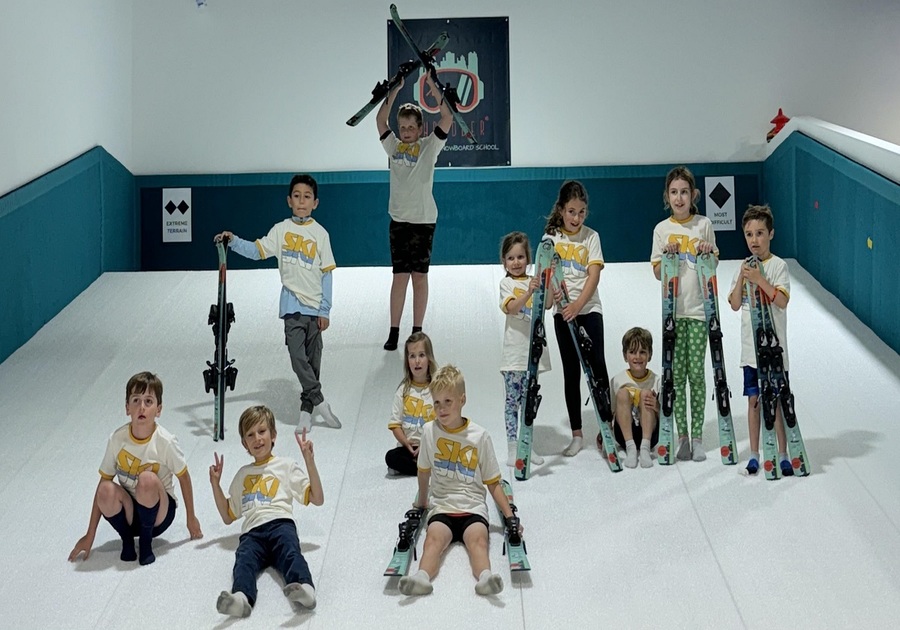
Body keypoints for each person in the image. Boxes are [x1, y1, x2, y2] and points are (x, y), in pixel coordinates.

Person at [215, 174, 340, 433]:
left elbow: (327, 274)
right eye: (297, 196)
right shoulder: (281, 230)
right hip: (292, 308)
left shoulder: (321, 234)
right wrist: (234, 241)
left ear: (315, 203)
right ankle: (321, 401)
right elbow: (257, 251)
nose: (301, 201)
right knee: (298, 359)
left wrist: (325, 310)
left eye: (307, 197)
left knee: (313, 363)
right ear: (289, 200)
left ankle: (306, 414)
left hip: (315, 308)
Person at [399, 365, 517, 597]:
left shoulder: (479, 436)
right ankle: (421, 577)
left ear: (462, 400)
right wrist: (421, 505)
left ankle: (485, 577)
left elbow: (493, 482)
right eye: (437, 403)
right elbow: (423, 472)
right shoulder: (429, 431)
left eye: (448, 402)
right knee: (432, 541)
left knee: (478, 542)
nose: (441, 409)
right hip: (442, 506)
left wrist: (510, 517)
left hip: (472, 507)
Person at [68, 372, 202, 566]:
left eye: (148, 401)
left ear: (159, 409)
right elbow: (103, 485)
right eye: (136, 400)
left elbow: (184, 477)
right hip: (131, 512)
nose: (142, 407)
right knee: (105, 489)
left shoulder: (165, 441)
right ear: (127, 407)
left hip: (159, 513)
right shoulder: (117, 439)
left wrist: (191, 517)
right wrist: (90, 534)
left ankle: (146, 543)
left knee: (147, 479)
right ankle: (127, 540)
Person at [210, 405, 324, 617]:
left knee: (291, 554)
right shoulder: (242, 474)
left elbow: (317, 498)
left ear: (273, 435)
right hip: (252, 534)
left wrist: (309, 461)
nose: (257, 439)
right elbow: (227, 516)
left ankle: (306, 590)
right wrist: (215, 485)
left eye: (262, 431)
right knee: (243, 562)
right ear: (245, 443)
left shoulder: (285, 465)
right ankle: (241, 599)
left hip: (281, 524)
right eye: (250, 435)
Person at [376, 71, 453, 351]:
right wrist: (395, 90)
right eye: (403, 127)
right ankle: (394, 331)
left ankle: (417, 330)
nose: (406, 131)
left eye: (411, 127)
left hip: (423, 222)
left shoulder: (429, 147)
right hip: (398, 222)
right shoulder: (393, 147)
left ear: (420, 128)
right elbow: (379, 120)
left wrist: (433, 86)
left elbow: (447, 118)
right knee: (399, 277)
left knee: (419, 277)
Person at [650, 166, 717, 462]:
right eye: (674, 192)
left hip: (699, 312)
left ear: (694, 195)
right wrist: (667, 256)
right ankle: (682, 437)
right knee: (676, 377)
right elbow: (656, 272)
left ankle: (699, 436)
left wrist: (707, 251)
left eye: (685, 192)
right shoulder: (661, 230)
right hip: (674, 313)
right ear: (667, 196)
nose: (679, 198)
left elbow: (713, 264)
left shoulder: (703, 225)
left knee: (696, 375)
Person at [543, 180, 611, 457]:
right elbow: (548, 277)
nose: (576, 218)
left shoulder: (591, 237)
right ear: (561, 210)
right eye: (571, 212)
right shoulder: (551, 239)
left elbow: (593, 276)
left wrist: (578, 305)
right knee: (571, 372)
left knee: (597, 368)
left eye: (581, 212)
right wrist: (558, 305)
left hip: (588, 310)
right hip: (563, 314)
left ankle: (607, 429)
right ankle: (576, 434)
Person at [727, 204, 793, 477]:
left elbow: (781, 300)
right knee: (754, 401)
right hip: (750, 353)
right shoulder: (743, 267)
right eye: (749, 234)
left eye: (760, 233)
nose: (755, 240)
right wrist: (744, 278)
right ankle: (754, 454)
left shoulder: (779, 266)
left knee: (777, 401)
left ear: (771, 234)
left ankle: (783, 453)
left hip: (775, 352)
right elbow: (733, 303)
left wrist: (760, 279)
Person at [498, 231, 551, 466]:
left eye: (520, 257)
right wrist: (529, 291)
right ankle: (512, 448)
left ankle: (526, 444)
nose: (516, 262)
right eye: (511, 258)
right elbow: (511, 308)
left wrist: (549, 288)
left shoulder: (534, 280)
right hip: (514, 355)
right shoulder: (506, 283)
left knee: (530, 400)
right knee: (513, 402)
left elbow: (547, 304)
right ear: (504, 261)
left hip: (534, 353)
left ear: (528, 258)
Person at [385, 332, 438, 476]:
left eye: (421, 355)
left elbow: (443, 423)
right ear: (407, 361)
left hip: (430, 445)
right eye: (412, 356)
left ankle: (420, 468)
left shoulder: (437, 389)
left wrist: (426, 445)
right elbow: (395, 424)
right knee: (391, 457)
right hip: (408, 448)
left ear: (429, 358)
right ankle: (424, 469)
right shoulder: (403, 391)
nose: (417, 361)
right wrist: (407, 444)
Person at [611, 328, 661, 469]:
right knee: (622, 393)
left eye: (642, 352)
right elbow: (611, 413)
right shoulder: (617, 380)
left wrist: (656, 405)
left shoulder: (656, 380)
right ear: (625, 356)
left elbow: (665, 417)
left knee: (646, 394)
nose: (637, 357)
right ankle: (631, 448)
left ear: (649, 355)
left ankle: (644, 448)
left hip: (650, 434)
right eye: (632, 352)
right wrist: (605, 436)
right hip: (624, 434)